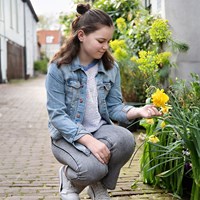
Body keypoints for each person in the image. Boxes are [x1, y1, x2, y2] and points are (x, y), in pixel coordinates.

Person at [45, 3, 162, 200]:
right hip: (65, 137)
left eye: (108, 41)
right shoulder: (58, 68)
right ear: (81, 36)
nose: (106, 47)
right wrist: (89, 141)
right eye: (101, 41)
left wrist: (139, 111)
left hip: (99, 128)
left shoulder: (110, 68)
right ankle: (68, 180)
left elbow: (114, 107)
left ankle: (97, 186)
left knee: (125, 140)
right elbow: (57, 116)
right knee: (94, 168)